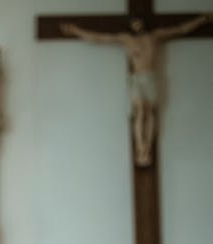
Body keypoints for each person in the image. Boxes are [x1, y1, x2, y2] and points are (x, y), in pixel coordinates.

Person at [60, 15, 210, 166]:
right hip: (137, 79)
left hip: (150, 78)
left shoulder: (154, 37)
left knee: (149, 112)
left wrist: (201, 20)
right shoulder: (126, 39)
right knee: (140, 111)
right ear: (130, 25)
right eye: (133, 22)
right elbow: (99, 38)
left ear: (143, 23)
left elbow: (181, 29)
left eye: (138, 21)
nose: (137, 24)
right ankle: (140, 147)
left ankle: (147, 148)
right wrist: (76, 31)